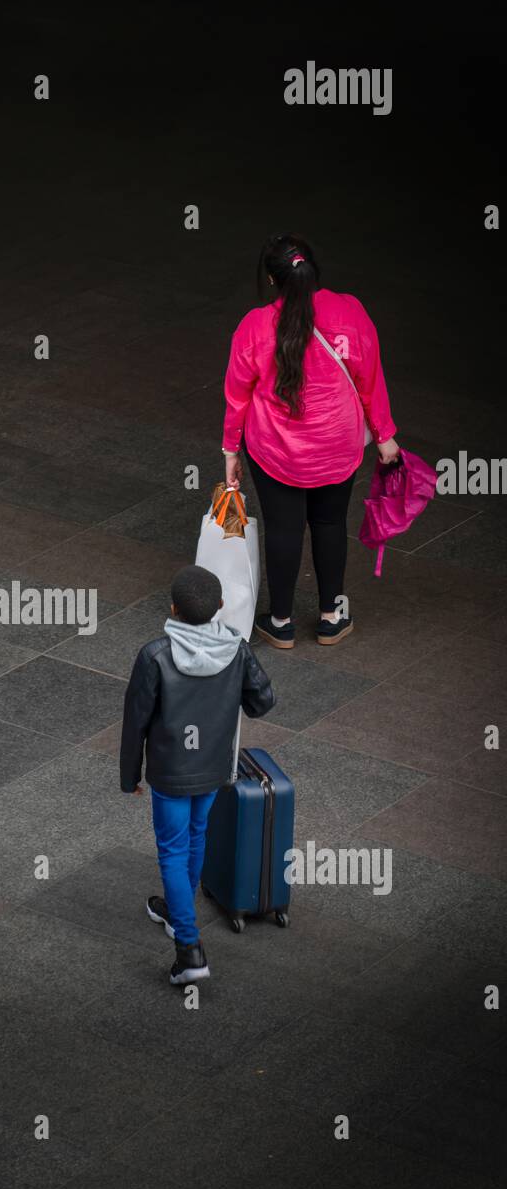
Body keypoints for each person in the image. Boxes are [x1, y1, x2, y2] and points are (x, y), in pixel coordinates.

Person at [222, 233, 400, 649]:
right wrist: (384, 435)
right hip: (337, 445)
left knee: (283, 529)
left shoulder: (254, 326)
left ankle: (280, 621)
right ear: (314, 270)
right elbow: (369, 377)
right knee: (330, 524)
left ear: (272, 279)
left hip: (275, 449)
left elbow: (237, 393)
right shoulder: (349, 311)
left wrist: (231, 449)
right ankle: (331, 617)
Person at [120, 565, 275, 986]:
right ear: (220, 607)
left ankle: (189, 949)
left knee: (172, 850)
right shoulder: (237, 650)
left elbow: (135, 721)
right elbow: (263, 701)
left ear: (172, 608)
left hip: (171, 773)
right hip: (213, 768)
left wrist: (129, 774)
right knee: (196, 837)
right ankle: (177, 909)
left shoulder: (155, 655)